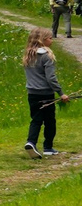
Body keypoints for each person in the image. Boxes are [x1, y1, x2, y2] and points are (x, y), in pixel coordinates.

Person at [25, 27, 69, 157]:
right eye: (50, 38)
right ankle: (48, 147)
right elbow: (51, 78)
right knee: (50, 121)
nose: (52, 40)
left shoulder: (28, 54)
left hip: (32, 94)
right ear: (42, 40)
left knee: (36, 119)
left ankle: (31, 142)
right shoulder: (46, 56)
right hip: (46, 94)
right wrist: (61, 93)